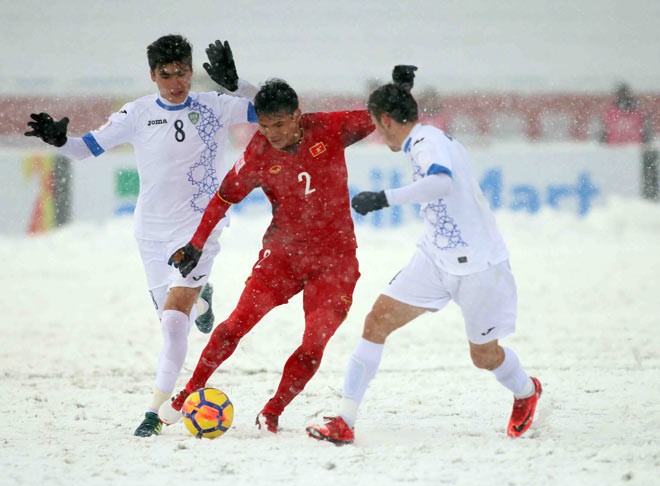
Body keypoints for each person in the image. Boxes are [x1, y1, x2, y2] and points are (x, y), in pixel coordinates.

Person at [158, 74, 425, 433]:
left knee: (313, 345)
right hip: (283, 257)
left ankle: (272, 411)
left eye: (280, 124)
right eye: (265, 126)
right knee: (236, 325)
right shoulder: (257, 152)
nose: (273, 134)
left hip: (335, 262)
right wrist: (196, 243)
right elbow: (223, 197)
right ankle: (189, 391)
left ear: (298, 115)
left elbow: (378, 117)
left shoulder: (330, 128)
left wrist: (400, 93)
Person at [24, 34, 258, 437]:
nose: (175, 82)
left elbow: (275, 111)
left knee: (172, 324)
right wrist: (60, 140)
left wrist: (239, 85)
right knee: (175, 315)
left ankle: (155, 410)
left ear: (190, 70)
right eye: (166, 75)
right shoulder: (136, 113)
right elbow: (84, 150)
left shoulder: (215, 105)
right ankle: (202, 304)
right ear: (152, 75)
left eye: (182, 72)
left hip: (199, 229)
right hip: (151, 231)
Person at [306, 77, 542, 445]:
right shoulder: (423, 137)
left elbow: (441, 183)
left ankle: (526, 391)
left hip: (479, 266)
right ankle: (344, 419)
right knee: (376, 322)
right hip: (434, 258)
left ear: (385, 120)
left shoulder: (425, 141)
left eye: (376, 124)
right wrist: (400, 86)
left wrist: (385, 197)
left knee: (484, 356)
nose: (377, 134)